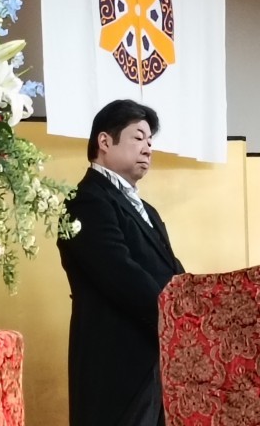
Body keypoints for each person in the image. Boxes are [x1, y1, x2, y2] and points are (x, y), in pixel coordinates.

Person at [57, 99, 185, 426]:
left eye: (150, 141)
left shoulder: (148, 210)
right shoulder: (85, 201)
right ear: (104, 141)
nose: (148, 148)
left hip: (157, 359)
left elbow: (173, 272)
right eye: (138, 137)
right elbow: (120, 274)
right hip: (115, 364)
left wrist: (195, 306)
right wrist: (177, 318)